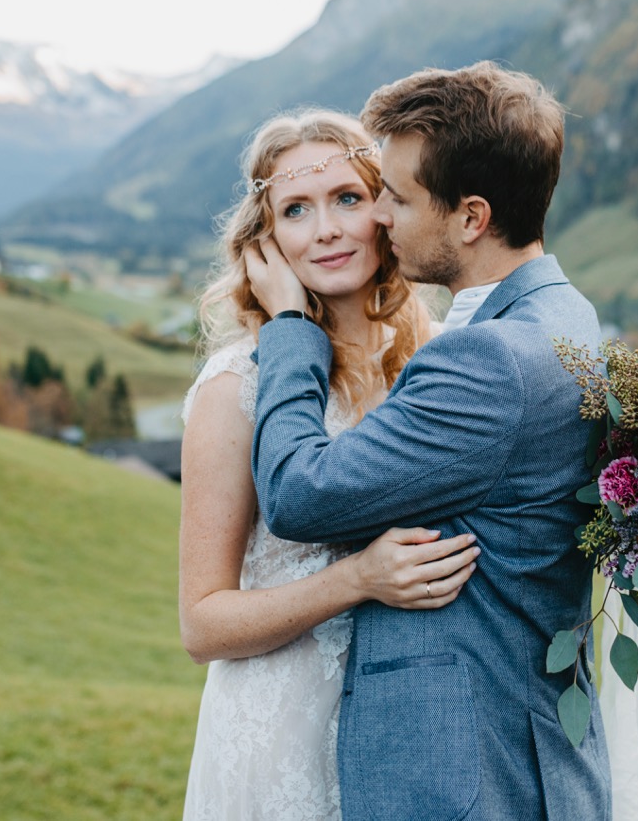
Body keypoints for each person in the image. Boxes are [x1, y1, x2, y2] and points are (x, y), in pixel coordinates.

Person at [244, 62, 616, 820]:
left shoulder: (485, 359)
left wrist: (287, 329)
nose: (376, 216)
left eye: (396, 197)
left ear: (471, 217)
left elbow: (296, 492)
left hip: (467, 775)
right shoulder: (565, 315)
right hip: (526, 759)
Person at [179, 109, 481, 821]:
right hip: (281, 735)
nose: (327, 230)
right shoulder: (237, 387)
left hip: (413, 730)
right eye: (295, 211)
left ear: (387, 208)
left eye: (347, 198)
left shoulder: (440, 360)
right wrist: (357, 580)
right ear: (267, 242)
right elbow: (203, 624)